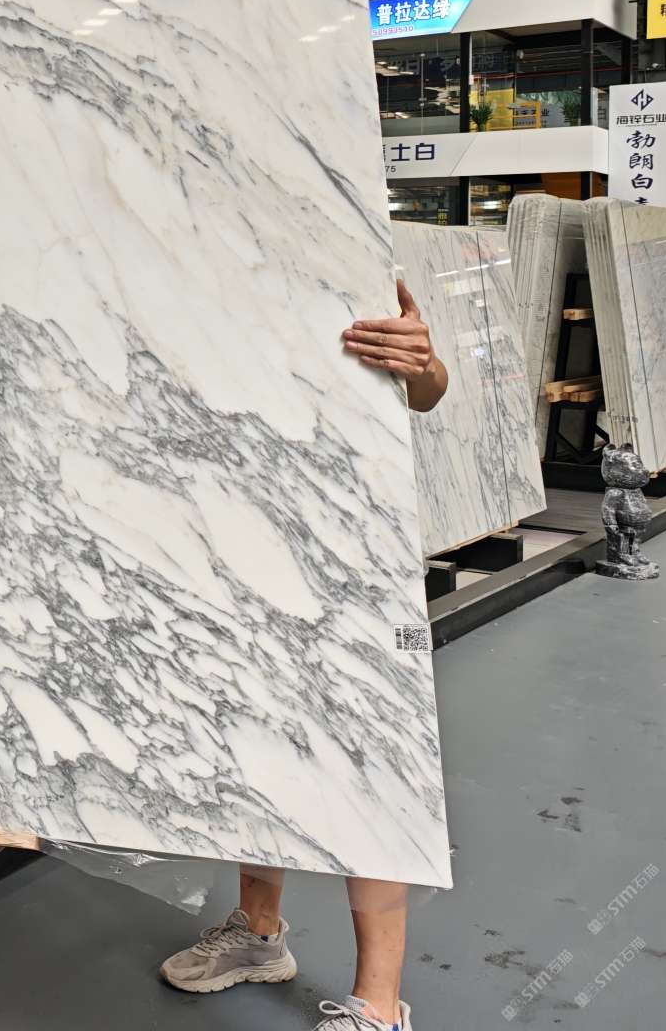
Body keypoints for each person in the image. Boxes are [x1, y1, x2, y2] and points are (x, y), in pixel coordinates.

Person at [159, 278, 449, 1031]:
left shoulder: (341, 239)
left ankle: (378, 1007)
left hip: (347, 527)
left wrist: (422, 363)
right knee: (259, 730)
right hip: (235, 517)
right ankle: (258, 937)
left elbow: (428, 391)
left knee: (370, 750)